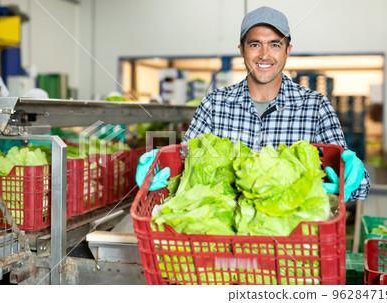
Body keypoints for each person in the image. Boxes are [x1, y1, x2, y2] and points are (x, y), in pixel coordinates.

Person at [137, 6, 370, 203]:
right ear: (242, 50)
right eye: (255, 44)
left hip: (293, 243)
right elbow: (183, 168)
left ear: (288, 50)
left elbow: (360, 188)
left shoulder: (316, 107)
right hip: (224, 240)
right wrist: (160, 166)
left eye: (275, 45)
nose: (265, 54)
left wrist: (352, 177)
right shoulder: (214, 104)